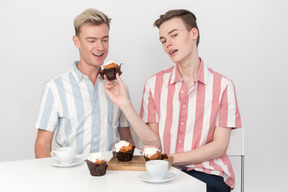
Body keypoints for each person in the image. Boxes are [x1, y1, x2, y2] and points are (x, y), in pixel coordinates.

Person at [104, 9, 241, 192]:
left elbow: (219, 147)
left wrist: (171, 158)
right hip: (163, 174)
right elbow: (154, 143)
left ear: (193, 33)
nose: (168, 43)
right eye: (163, 40)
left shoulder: (223, 86)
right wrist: (125, 104)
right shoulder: (154, 84)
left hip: (208, 173)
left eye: (174, 35)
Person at [34, 8, 134, 158]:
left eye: (104, 40)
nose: (100, 47)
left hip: (113, 174)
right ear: (77, 41)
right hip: (70, 176)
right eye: (92, 41)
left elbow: (126, 139)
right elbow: (43, 144)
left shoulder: (119, 87)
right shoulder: (55, 87)